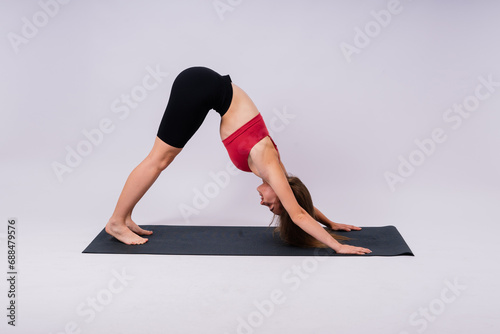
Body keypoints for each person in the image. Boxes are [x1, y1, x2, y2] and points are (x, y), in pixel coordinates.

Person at [105, 67, 371, 255]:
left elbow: (297, 204)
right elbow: (297, 211)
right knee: (159, 160)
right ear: (282, 193)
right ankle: (116, 222)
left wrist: (330, 222)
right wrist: (337, 246)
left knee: (160, 159)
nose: (264, 204)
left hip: (203, 87)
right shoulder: (269, 164)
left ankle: (125, 217)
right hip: (200, 86)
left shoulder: (274, 172)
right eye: (272, 207)